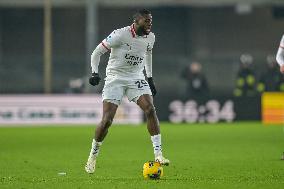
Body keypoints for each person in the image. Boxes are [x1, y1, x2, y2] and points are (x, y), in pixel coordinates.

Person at [85, 9, 170, 174]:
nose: (150, 24)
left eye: (151, 20)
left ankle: (159, 154)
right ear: (136, 21)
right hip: (115, 78)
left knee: (150, 109)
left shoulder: (150, 38)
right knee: (107, 120)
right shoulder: (120, 34)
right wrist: (95, 72)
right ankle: (93, 155)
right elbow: (96, 52)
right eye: (146, 21)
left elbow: (148, 55)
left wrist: (150, 78)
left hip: (136, 78)